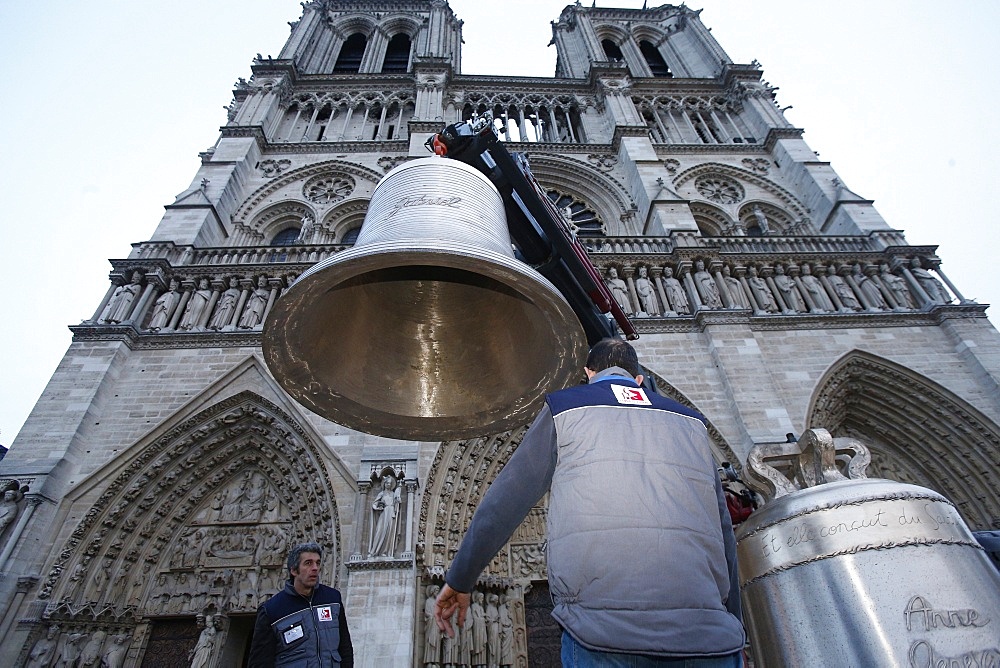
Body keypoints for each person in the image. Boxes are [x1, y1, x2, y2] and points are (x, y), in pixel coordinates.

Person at [435, 338, 745, 666]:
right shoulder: (691, 423)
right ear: (638, 378)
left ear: (588, 372)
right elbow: (724, 531)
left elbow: (503, 502)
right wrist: (735, 622)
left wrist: (460, 578)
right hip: (709, 639)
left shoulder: (565, 407)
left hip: (602, 636)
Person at [248, 542, 354, 667]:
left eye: (318, 563)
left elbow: (345, 648)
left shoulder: (333, 599)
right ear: (293, 570)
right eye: (308, 563)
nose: (315, 568)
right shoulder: (271, 610)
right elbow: (260, 662)